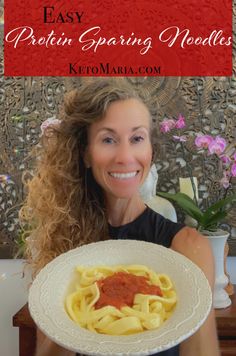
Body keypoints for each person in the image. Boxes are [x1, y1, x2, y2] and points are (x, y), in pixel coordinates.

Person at [20, 78, 220, 356]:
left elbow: (202, 352)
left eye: (137, 138)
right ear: (86, 154)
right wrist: (68, 316)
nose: (125, 156)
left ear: (151, 150)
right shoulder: (63, 245)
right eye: (108, 139)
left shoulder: (189, 247)